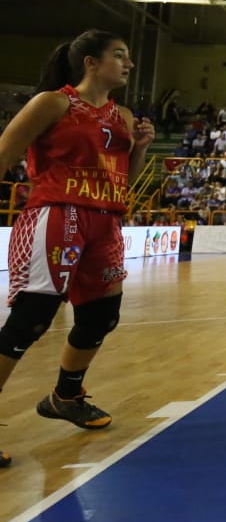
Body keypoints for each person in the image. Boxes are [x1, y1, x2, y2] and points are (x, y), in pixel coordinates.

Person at [0, 30, 156, 467]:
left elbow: (124, 173)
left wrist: (140, 148)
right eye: (119, 55)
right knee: (31, 319)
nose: (127, 64)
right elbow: (5, 152)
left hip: (105, 220)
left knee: (102, 317)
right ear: (90, 62)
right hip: (57, 213)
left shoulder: (123, 116)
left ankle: (65, 396)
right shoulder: (53, 103)